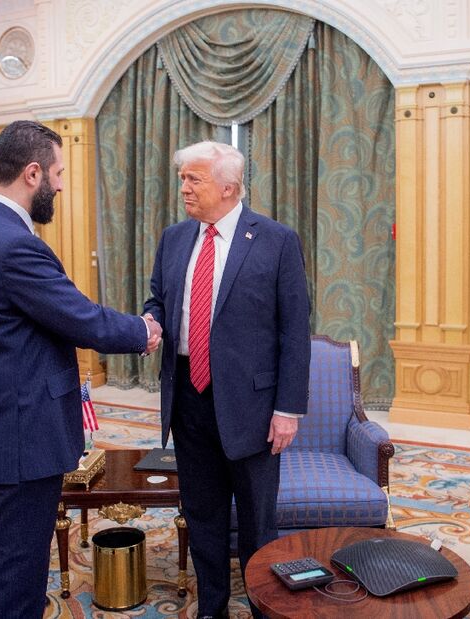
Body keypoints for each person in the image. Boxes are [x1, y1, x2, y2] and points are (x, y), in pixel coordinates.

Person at [0, 120, 162, 618]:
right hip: (21, 438)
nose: (61, 185)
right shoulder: (14, 244)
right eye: (58, 173)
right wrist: (144, 331)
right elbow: (81, 317)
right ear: (33, 172)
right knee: (17, 580)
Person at [143, 141, 311, 618]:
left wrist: (288, 409)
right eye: (183, 178)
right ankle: (211, 607)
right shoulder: (175, 238)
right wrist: (151, 320)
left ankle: (265, 608)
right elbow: (158, 298)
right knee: (203, 517)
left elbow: (294, 330)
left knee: (259, 523)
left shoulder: (276, 240)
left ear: (229, 187)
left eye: (194, 179)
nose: (184, 188)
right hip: (189, 402)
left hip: (253, 410)